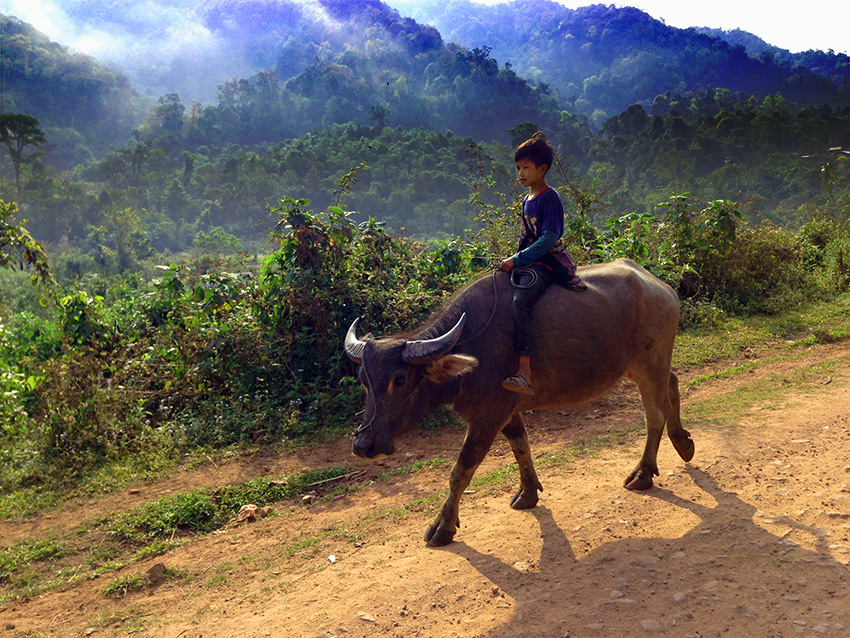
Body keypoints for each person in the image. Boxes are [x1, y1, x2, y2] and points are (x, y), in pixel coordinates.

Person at [499, 133, 583, 395]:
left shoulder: (550, 198)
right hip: (530, 261)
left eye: (526, 167)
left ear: (542, 169)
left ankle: (524, 371)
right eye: (518, 168)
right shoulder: (527, 200)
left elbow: (548, 239)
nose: (520, 173)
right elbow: (527, 237)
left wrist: (519, 259)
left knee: (521, 301)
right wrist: (512, 259)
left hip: (545, 264)